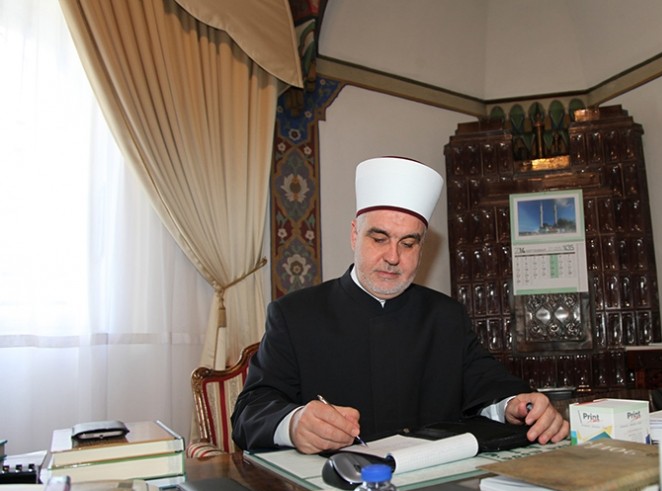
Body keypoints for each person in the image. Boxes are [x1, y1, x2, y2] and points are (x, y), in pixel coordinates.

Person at [231, 156, 570, 454]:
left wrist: (518, 405)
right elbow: (250, 413)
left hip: (435, 487)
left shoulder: (446, 317)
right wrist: (294, 423)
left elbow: (489, 388)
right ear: (354, 235)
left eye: (408, 243)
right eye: (379, 239)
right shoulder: (295, 315)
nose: (393, 257)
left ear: (422, 248)